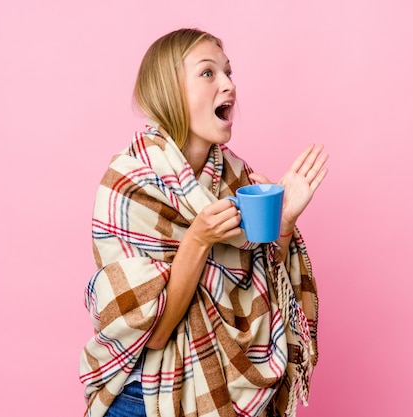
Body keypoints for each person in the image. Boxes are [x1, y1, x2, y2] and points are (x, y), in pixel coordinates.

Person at [79, 28, 328, 417]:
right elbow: (157, 334)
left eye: (229, 73)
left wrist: (284, 224)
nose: (229, 85)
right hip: (144, 397)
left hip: (226, 393)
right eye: (208, 73)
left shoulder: (237, 179)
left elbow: (263, 284)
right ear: (170, 91)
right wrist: (198, 240)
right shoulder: (129, 184)